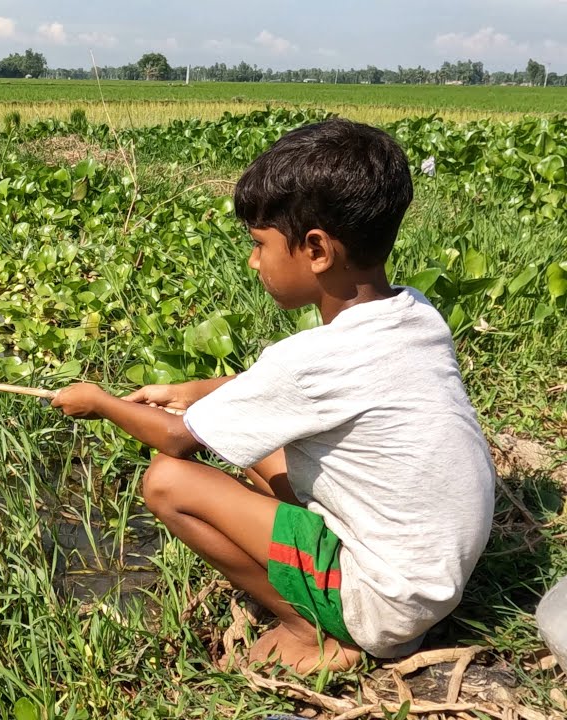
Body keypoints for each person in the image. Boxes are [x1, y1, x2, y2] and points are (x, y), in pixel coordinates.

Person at [51, 118, 495, 674]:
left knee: (167, 481)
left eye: (260, 245)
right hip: (432, 571)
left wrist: (99, 402)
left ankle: (309, 628)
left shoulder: (309, 362)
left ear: (316, 250)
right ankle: (330, 602)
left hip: (384, 603)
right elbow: (280, 394)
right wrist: (193, 391)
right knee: (259, 442)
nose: (254, 261)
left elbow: (174, 440)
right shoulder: (413, 311)